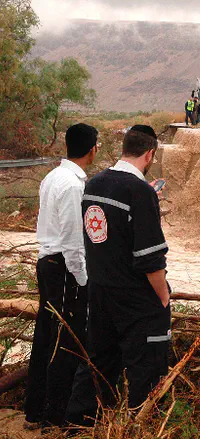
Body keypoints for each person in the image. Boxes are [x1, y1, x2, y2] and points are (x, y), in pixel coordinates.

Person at [65, 125, 171, 426]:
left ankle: (78, 425)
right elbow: (150, 258)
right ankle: (142, 426)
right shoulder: (139, 192)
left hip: (100, 292)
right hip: (134, 299)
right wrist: (163, 298)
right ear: (149, 154)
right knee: (146, 368)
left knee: (98, 363)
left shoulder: (95, 183)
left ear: (123, 149)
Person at [25, 123, 98, 428]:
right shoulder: (72, 185)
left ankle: (35, 410)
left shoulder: (53, 177)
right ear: (92, 149)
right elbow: (72, 238)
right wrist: (82, 279)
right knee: (64, 339)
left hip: (48, 263)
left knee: (46, 335)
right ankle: (55, 415)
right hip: (63, 267)